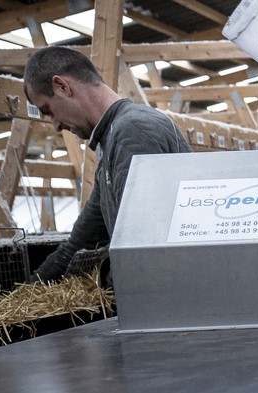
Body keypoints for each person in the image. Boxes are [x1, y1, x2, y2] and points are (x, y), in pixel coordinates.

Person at [24, 46, 191, 283]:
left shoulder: (133, 131)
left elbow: (142, 244)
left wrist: (105, 285)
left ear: (62, 86)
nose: (56, 125)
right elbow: (85, 235)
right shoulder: (112, 137)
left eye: (48, 110)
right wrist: (29, 288)